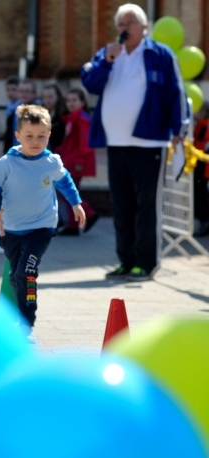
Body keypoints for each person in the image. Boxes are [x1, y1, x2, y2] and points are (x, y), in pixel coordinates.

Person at [82, 3, 188, 281]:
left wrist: (179, 128)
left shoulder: (159, 55)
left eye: (130, 23)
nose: (124, 28)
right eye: (120, 24)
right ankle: (126, 261)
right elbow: (91, 85)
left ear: (144, 27)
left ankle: (146, 263)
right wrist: (107, 62)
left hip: (149, 143)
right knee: (122, 204)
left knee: (145, 205)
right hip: (116, 143)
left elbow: (175, 92)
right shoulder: (108, 54)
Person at [0, 104, 85, 341]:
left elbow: (65, 180)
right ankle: (13, 315)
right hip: (12, 229)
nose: (35, 142)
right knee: (16, 275)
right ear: (18, 136)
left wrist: (75, 203)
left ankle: (26, 325)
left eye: (41, 137)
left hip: (42, 227)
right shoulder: (7, 163)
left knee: (27, 273)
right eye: (29, 136)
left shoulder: (51, 161)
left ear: (49, 135)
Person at [56, 88, 99, 235]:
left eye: (74, 100)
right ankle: (73, 225)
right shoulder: (72, 118)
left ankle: (89, 214)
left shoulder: (81, 119)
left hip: (75, 162)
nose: (70, 103)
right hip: (70, 160)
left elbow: (85, 142)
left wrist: (80, 160)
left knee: (67, 192)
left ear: (83, 102)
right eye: (68, 100)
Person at [192, 102, 209, 237]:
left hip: (202, 165)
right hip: (203, 165)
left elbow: (199, 145)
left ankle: (205, 219)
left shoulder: (204, 125)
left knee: (198, 194)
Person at [41, 84, 67, 151]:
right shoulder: (41, 115)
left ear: (57, 97)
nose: (47, 100)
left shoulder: (64, 115)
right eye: (45, 97)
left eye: (50, 97)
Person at [3, 76, 20, 154]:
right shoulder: (9, 107)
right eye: (8, 90)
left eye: (14, 90)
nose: (10, 93)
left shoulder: (19, 109)